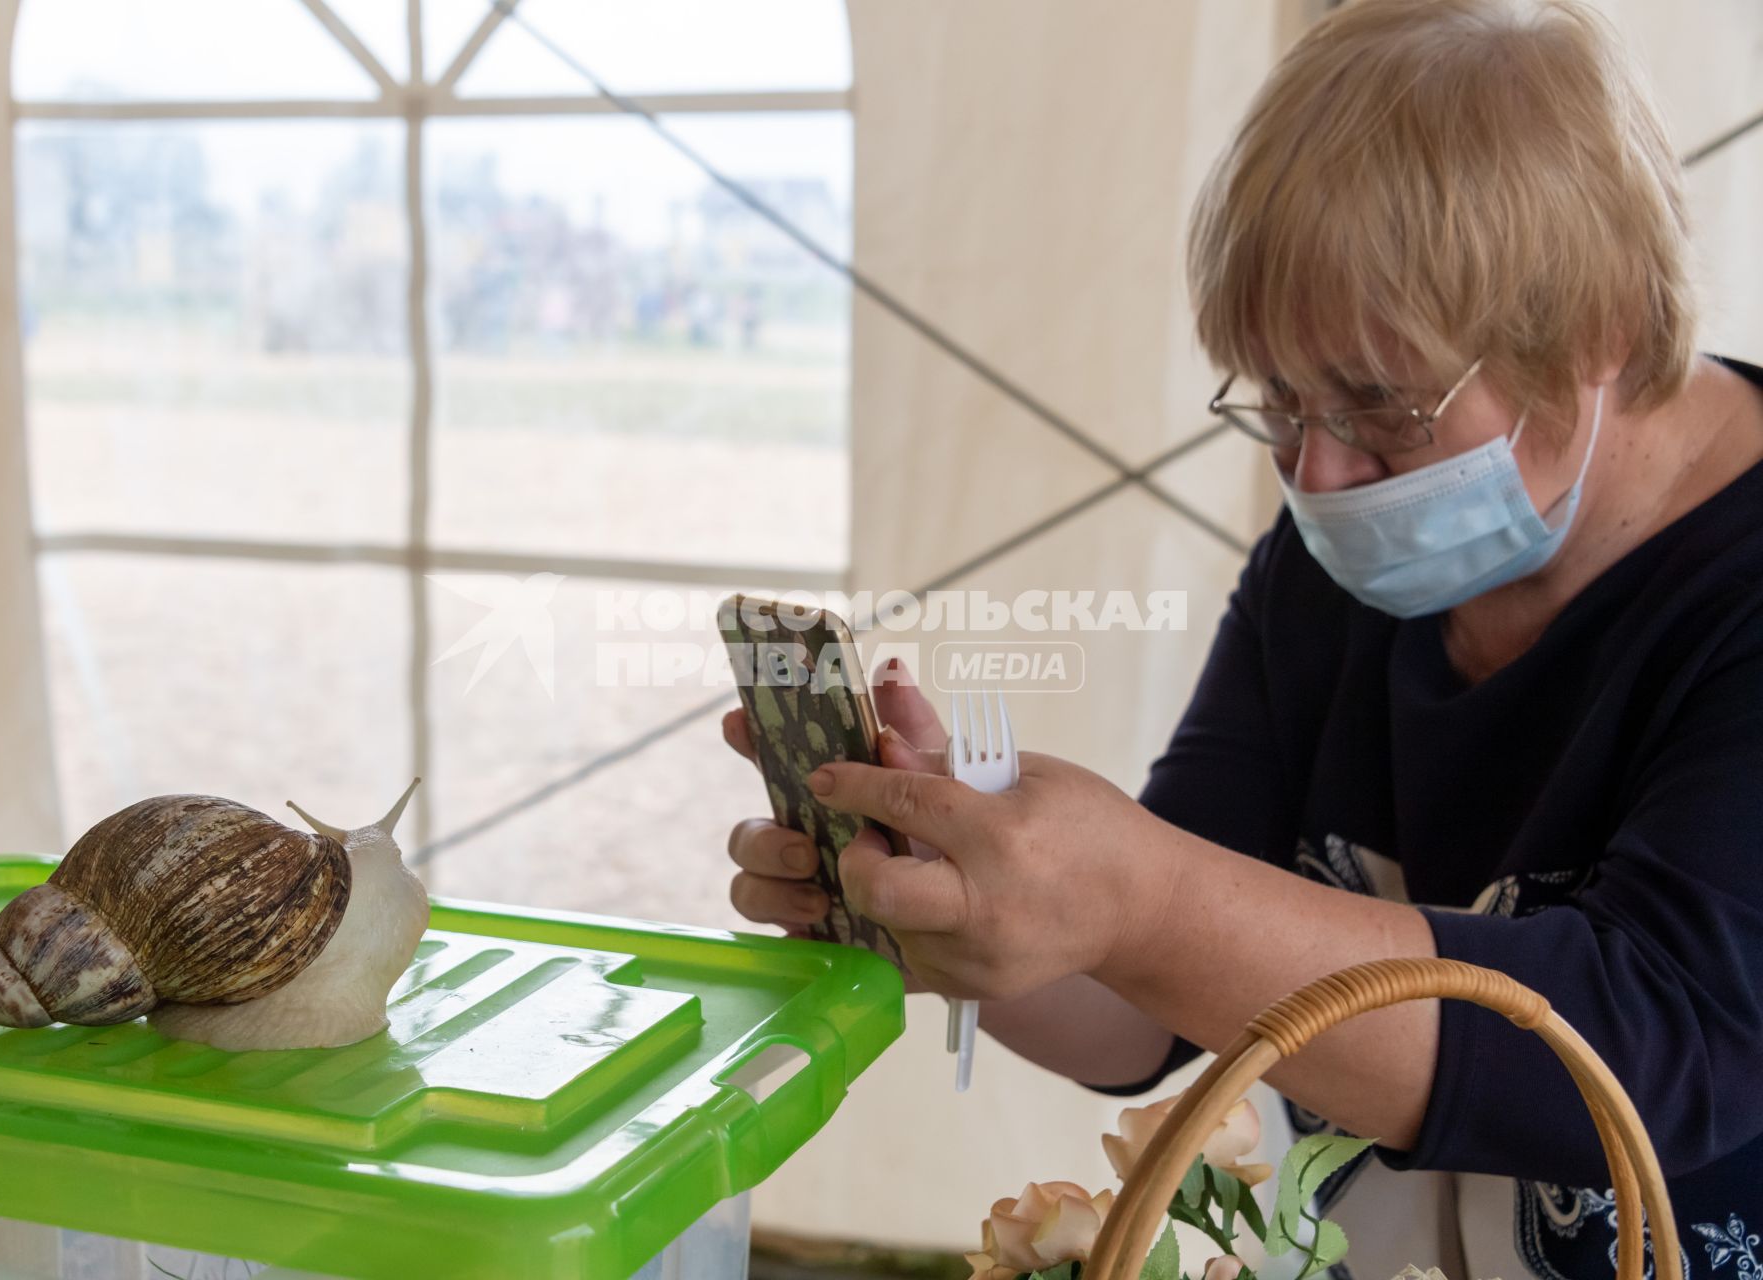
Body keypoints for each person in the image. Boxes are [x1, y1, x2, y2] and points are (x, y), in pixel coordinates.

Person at [721, 0, 1763, 1273]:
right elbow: (1145, 1007)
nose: (1317, 474)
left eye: (1380, 406)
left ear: (1594, 331)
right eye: (1277, 403)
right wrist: (961, 895)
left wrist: (1139, 892)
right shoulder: (1336, 558)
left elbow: (1660, 1052)